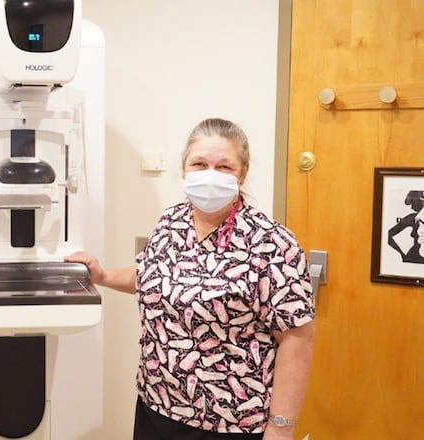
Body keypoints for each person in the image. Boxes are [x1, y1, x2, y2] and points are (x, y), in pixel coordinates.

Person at [66, 118, 316, 440]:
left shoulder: (272, 244)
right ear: (184, 169)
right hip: (157, 406)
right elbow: (152, 277)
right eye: (199, 163)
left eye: (223, 166)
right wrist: (103, 276)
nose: (210, 174)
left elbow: (298, 337)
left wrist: (282, 427)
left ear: (242, 173)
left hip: (229, 422)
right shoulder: (172, 221)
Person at [387, 190, 424, 264]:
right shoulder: (411, 218)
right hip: (413, 259)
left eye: (413, 203)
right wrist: (402, 254)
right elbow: (388, 234)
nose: (412, 207)